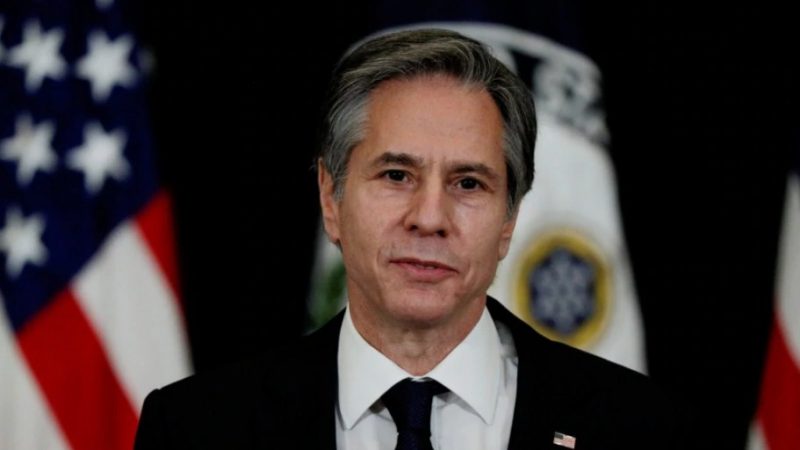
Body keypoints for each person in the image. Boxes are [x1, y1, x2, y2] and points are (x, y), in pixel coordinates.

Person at [134, 28, 682, 450]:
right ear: (330, 197)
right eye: (396, 175)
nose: (430, 217)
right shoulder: (197, 430)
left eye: (468, 183)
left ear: (509, 218)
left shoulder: (642, 429)